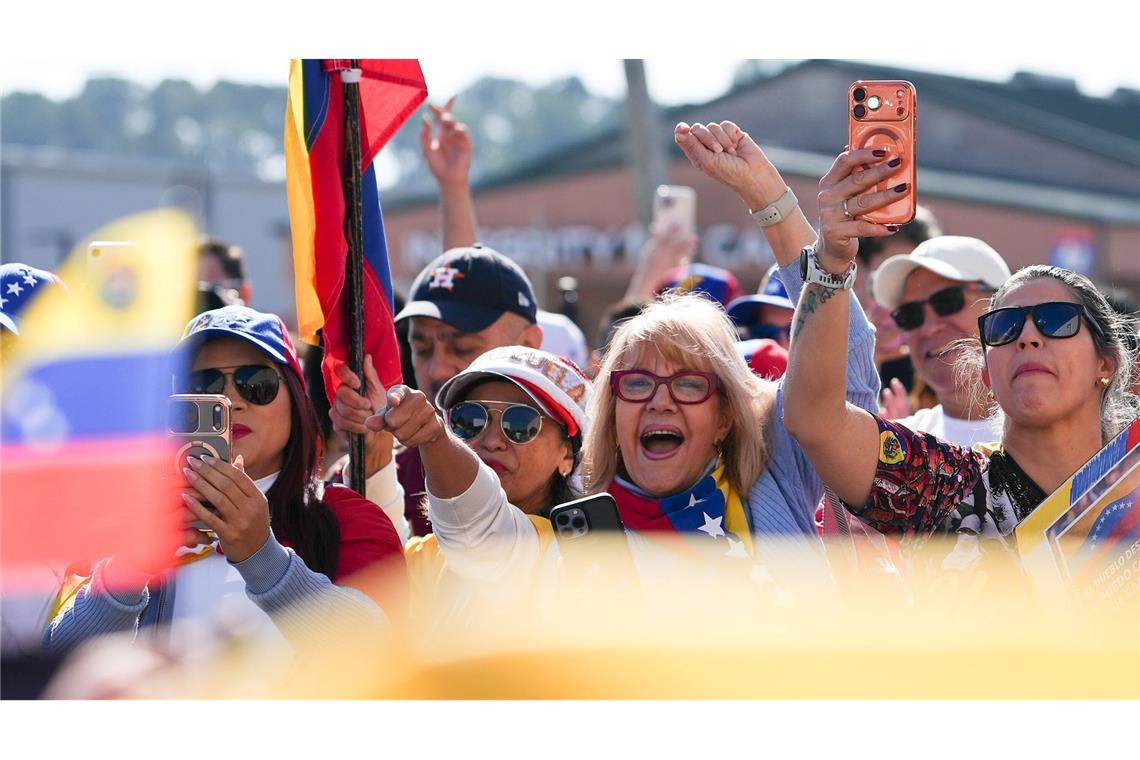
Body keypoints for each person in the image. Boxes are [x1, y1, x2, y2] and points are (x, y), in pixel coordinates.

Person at [782, 149, 1139, 570]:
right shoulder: (946, 487)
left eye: (1056, 320)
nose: (1028, 337)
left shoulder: (1133, 477)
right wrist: (830, 262)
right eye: (1004, 327)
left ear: (1106, 363)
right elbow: (815, 420)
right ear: (987, 373)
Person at [558, 119, 882, 579]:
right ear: (612, 414)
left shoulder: (776, 480)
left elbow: (844, 371)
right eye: (637, 383)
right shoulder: (575, 526)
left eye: (689, 384)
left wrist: (768, 198)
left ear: (725, 417)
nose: (660, 401)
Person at [42, 305, 407, 655]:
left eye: (256, 383)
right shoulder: (137, 521)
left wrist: (262, 557)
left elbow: (383, 656)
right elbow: (56, 670)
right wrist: (128, 570)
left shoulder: (347, 519)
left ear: (296, 399)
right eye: (204, 385)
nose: (231, 400)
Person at [333, 345, 591, 626]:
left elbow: (482, 531)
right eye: (469, 419)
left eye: (520, 423)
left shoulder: (573, 557)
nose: (492, 440)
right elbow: (380, 583)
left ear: (568, 454)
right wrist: (375, 448)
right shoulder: (433, 554)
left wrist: (434, 438)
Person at [871, 235, 1012, 447]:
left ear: (1002, 306)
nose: (930, 328)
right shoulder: (895, 446)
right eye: (910, 314)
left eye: (947, 302)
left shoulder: (1058, 432)